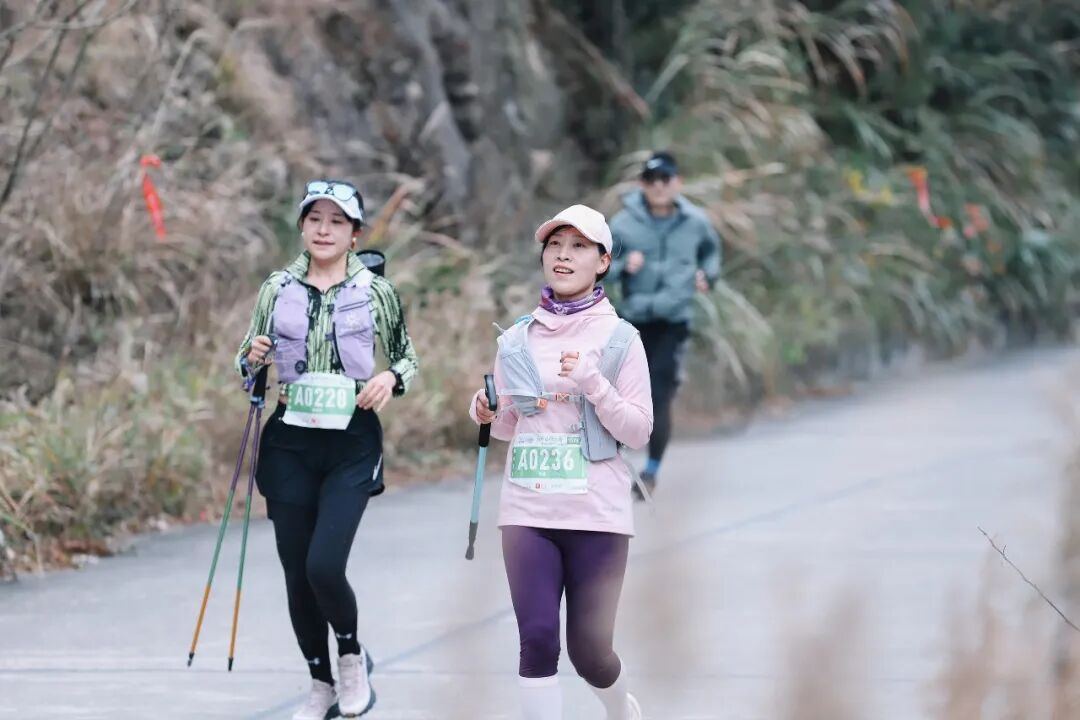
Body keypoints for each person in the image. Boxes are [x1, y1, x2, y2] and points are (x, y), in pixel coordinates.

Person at [236, 179, 419, 720]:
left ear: (354, 233)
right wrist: (253, 357)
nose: (324, 229)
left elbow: (407, 357)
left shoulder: (376, 291)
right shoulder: (276, 288)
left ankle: (351, 655)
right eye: (315, 218)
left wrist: (389, 379)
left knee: (323, 565)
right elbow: (245, 360)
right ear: (301, 226)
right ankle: (320, 683)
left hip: (351, 442)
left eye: (337, 221)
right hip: (289, 441)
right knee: (296, 574)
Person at [470, 205, 653, 720]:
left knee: (590, 652)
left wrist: (593, 383)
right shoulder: (517, 338)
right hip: (528, 509)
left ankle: (621, 710)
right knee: (537, 640)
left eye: (578, 247)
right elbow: (509, 425)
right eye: (555, 245)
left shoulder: (621, 339)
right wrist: (485, 409)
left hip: (597, 513)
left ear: (603, 261)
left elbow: (638, 430)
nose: (563, 256)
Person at [608, 151, 721, 497]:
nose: (659, 186)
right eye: (651, 180)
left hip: (674, 320)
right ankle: (612, 466)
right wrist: (623, 266)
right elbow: (599, 266)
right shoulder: (622, 224)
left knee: (658, 395)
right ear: (641, 184)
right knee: (622, 395)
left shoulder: (695, 222)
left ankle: (651, 471)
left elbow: (711, 253)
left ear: (677, 182)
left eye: (665, 179)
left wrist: (707, 276)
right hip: (633, 320)